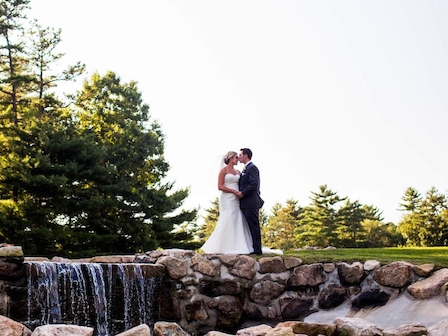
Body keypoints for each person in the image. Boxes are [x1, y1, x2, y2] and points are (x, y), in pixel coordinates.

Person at [201, 151, 254, 254]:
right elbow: (220, 186)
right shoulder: (223, 171)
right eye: (235, 157)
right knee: (228, 217)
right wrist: (233, 191)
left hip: (237, 198)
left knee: (237, 218)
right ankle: (222, 245)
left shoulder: (238, 171)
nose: (237, 159)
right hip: (227, 198)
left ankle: (237, 244)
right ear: (230, 158)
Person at [236, 148, 263, 255]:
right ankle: (252, 247)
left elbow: (253, 184)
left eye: (240, 155)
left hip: (250, 202)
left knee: (254, 225)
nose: (239, 157)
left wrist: (243, 193)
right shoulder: (245, 169)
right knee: (249, 226)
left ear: (246, 155)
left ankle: (257, 249)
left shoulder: (252, 168)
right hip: (246, 203)